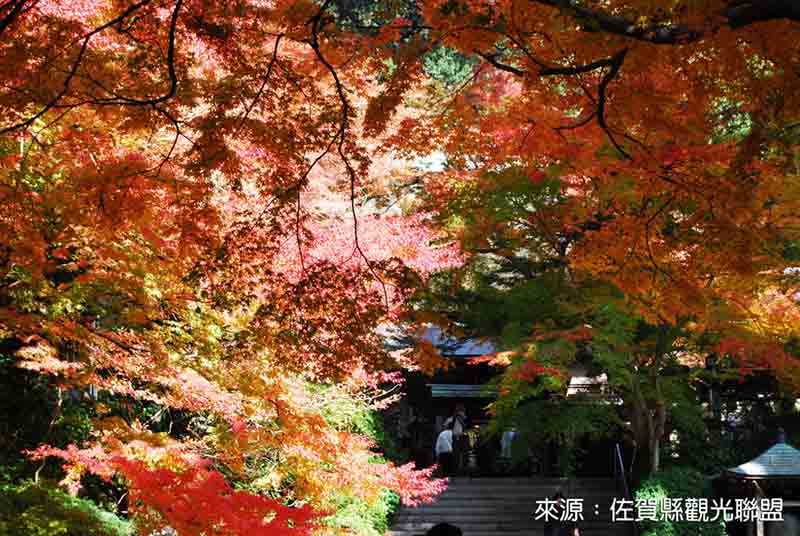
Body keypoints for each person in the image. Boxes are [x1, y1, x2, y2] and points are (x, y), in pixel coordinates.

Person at [442, 404, 468, 472]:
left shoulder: (464, 419)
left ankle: (463, 467)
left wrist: (460, 419)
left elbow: (466, 427)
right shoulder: (450, 419)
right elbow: (445, 427)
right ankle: (455, 467)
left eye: (461, 411)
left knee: (464, 452)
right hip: (453, 437)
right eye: (459, 411)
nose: (460, 412)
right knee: (455, 453)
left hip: (462, 437)